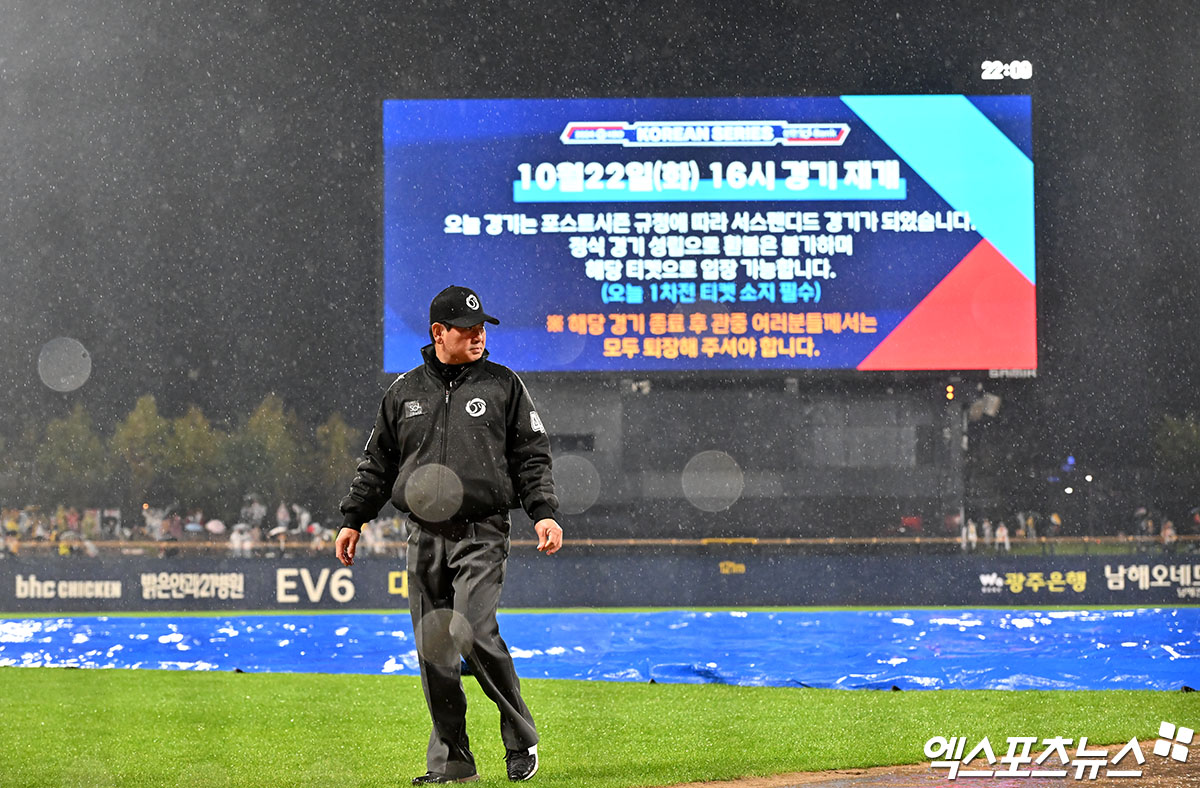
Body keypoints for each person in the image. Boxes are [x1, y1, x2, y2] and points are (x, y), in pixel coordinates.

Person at [336, 285, 563, 784]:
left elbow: (532, 457)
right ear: (439, 333)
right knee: (435, 650)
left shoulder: (504, 386)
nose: (479, 335)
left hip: (482, 532)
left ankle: (520, 738)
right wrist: (354, 517)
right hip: (423, 536)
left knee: (475, 632)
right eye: (467, 329)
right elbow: (378, 463)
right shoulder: (403, 393)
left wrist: (543, 512)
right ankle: (452, 762)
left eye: (482, 327)